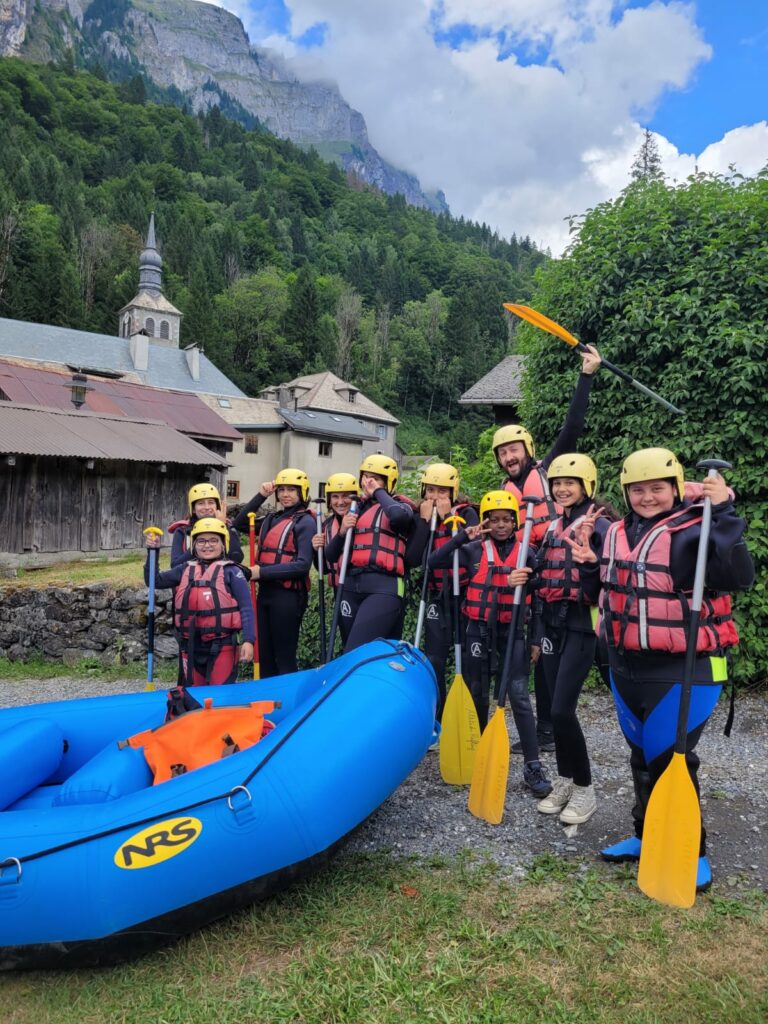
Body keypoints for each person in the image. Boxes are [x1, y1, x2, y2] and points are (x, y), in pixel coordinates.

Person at [565, 447, 754, 889]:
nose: (647, 497)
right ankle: (644, 834)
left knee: (674, 760)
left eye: (656, 488)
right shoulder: (613, 533)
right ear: (625, 492)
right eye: (637, 489)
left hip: (685, 669)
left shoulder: (695, 531)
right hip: (626, 666)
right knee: (641, 758)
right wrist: (590, 567)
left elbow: (740, 575)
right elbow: (603, 593)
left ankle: (693, 849)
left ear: (674, 488)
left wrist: (724, 512)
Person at [493, 342, 603, 755]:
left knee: (550, 650)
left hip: (557, 564)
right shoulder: (503, 491)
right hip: (532, 573)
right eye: (503, 453)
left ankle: (551, 727)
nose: (509, 457)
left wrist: (586, 376)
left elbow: (571, 428)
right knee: (535, 650)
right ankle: (541, 732)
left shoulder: (549, 470)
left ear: (527, 450)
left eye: (513, 449)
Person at [428, 490, 551, 798]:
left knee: (520, 697)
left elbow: (537, 601)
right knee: (477, 693)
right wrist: (459, 538)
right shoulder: (471, 550)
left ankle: (533, 764)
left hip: (512, 633)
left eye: (507, 520)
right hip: (477, 631)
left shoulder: (528, 554)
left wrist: (536, 638)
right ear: (485, 522)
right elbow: (432, 562)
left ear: (516, 522)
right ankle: (479, 755)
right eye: (494, 520)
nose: (500, 526)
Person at [530, 454, 614, 825]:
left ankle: (585, 788)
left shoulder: (602, 525)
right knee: (552, 709)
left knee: (563, 708)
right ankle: (564, 780)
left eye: (571, 482)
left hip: (582, 622)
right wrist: (528, 578)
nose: (562, 489)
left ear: (587, 486)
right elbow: (544, 573)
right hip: (551, 623)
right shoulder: (552, 528)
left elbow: (608, 574)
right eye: (557, 483)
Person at [145, 517, 254, 685]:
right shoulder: (185, 569)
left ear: (223, 544)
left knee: (219, 696)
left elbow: (246, 608)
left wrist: (249, 640)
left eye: (213, 540)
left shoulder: (232, 572)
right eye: (201, 541)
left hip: (223, 644)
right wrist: (153, 551)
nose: (207, 545)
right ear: (194, 545)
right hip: (191, 645)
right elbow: (154, 581)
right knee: (193, 697)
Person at [324, 454, 414, 652]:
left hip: (384, 588)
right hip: (350, 588)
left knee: (355, 651)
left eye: (377, 478)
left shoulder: (401, 506)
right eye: (366, 477)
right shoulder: (355, 509)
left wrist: (379, 492)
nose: (369, 482)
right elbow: (330, 557)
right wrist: (341, 532)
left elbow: (398, 517)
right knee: (354, 650)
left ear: (389, 482)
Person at [234, 469, 315, 678]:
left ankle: (288, 702)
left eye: (291, 490)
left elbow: (302, 565)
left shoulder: (305, 522)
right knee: (265, 655)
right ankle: (268, 703)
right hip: (266, 594)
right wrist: (261, 495)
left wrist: (261, 572)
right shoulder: (272, 518)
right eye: (282, 490)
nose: (285, 495)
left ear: (302, 492)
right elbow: (240, 523)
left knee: (284, 657)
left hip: (288, 597)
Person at [415, 463, 478, 720]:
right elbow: (416, 557)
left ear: (453, 492)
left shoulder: (468, 514)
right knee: (434, 659)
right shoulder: (421, 517)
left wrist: (445, 521)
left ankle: (468, 715)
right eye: (431, 490)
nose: (435, 497)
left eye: (442, 491)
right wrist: (424, 522)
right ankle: (437, 717)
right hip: (436, 595)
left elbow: (472, 554)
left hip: (463, 593)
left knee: (468, 658)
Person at [312, 472, 360, 648]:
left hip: (361, 589)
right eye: (335, 497)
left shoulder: (363, 520)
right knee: (347, 639)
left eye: (346, 496)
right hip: (340, 590)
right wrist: (315, 549)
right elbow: (323, 569)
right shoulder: (325, 526)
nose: (341, 502)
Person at [167, 483, 245, 569]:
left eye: (211, 502)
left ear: (217, 506)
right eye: (201, 503)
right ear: (193, 509)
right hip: (192, 580)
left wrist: (223, 527)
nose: (207, 507)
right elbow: (175, 565)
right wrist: (198, 545)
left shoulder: (227, 526)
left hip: (221, 579)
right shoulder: (182, 531)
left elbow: (237, 558)